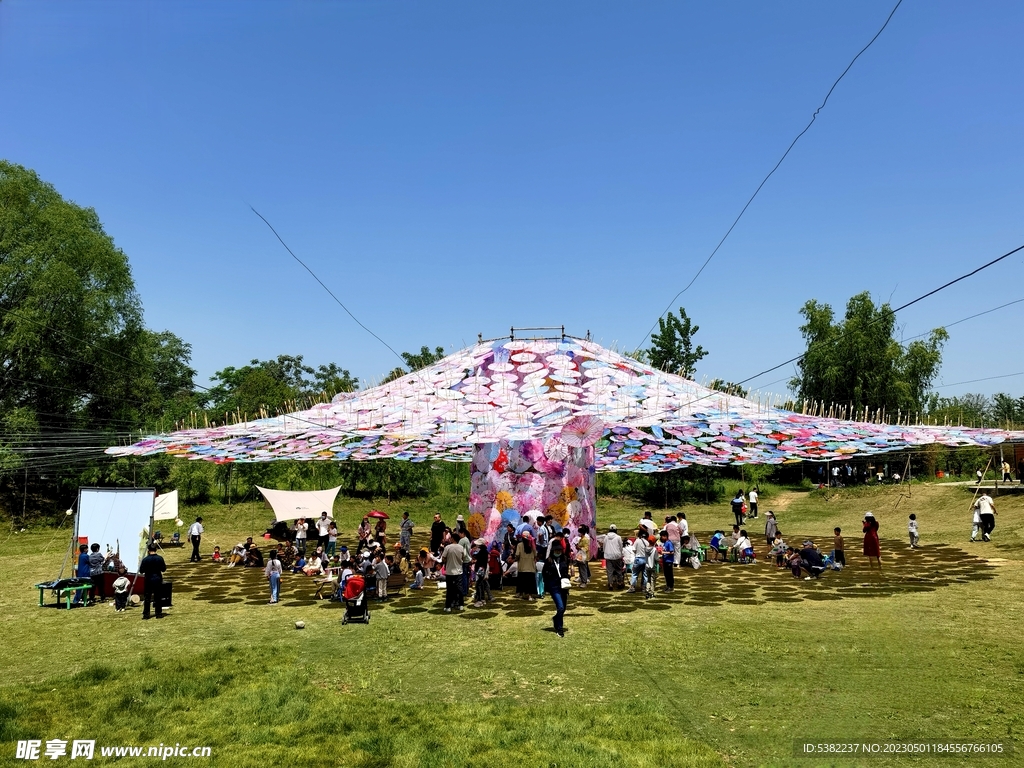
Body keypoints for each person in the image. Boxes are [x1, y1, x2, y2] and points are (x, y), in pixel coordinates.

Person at [543, 539, 571, 637]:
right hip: (554, 587)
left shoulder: (565, 559)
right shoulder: (549, 561)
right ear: (552, 551)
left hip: (563, 586)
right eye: (556, 551)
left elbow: (566, 571)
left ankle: (556, 618)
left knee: (563, 608)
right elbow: (544, 574)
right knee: (560, 607)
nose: (558, 552)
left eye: (559, 550)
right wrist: (547, 587)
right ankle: (559, 628)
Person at [138, 543, 167, 620]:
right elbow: (163, 569)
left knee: (147, 597)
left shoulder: (145, 560)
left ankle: (146, 614)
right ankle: (158, 613)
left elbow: (141, 571)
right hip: (157, 578)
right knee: (158, 596)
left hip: (148, 579)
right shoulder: (160, 558)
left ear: (148, 550)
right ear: (156, 550)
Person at [441, 535, 465, 612]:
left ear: (453, 539)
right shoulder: (461, 548)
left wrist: (447, 561)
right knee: (459, 588)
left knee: (449, 589)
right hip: (459, 571)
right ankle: (460, 604)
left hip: (449, 571)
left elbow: (443, 558)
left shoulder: (448, 547)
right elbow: (463, 558)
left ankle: (448, 606)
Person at [515, 534, 538, 600]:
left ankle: (521, 594)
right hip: (531, 567)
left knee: (522, 582)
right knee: (530, 583)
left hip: (522, 567)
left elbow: (517, 554)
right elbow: (535, 554)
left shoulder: (519, 545)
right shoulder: (532, 545)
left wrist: (516, 559)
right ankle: (530, 596)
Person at [602, 524, 624, 590]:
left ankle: (610, 584)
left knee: (609, 571)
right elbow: (621, 547)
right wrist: (621, 553)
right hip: (617, 556)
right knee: (618, 570)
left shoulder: (606, 537)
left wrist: (605, 552)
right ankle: (619, 583)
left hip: (608, 556)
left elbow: (604, 546)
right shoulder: (618, 537)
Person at [472, 539, 492, 607]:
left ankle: (479, 600)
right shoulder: (484, 551)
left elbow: (479, 559)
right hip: (482, 569)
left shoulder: (482, 551)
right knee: (481, 584)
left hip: (481, 569)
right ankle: (482, 599)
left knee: (478, 585)